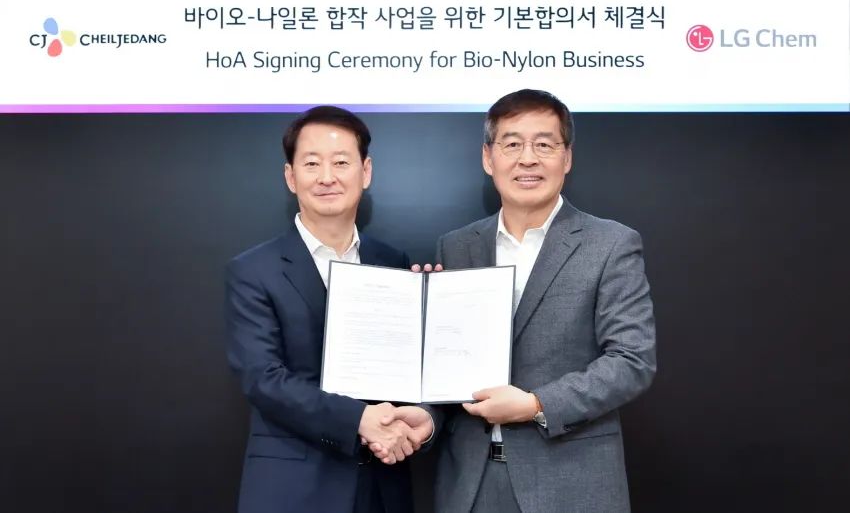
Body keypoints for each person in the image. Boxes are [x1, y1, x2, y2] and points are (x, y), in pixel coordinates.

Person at [418, 89, 657, 512]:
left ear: (567, 158)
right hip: (469, 487)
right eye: (512, 144)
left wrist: (535, 405)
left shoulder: (610, 244)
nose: (527, 159)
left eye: (544, 144)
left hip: (570, 484)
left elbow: (631, 360)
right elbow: (445, 367)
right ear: (488, 158)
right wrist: (423, 417)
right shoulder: (455, 247)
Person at [225, 106, 433, 513]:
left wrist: (435, 311)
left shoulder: (393, 263)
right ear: (290, 177)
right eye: (311, 163)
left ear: (365, 172)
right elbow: (263, 379)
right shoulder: (253, 270)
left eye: (341, 162)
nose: (326, 177)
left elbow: (407, 371)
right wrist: (358, 419)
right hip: (294, 489)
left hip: (383, 485)